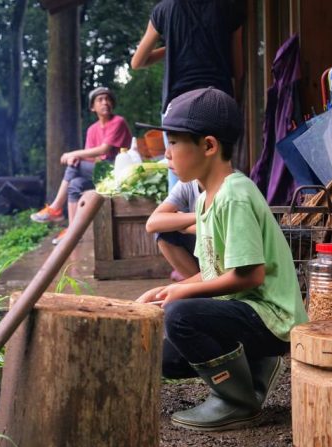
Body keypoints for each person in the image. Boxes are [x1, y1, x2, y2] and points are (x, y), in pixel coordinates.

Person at [137, 88, 307, 432]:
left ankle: (238, 402)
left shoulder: (235, 196)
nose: (167, 153)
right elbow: (213, 272)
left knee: (181, 316)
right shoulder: (203, 200)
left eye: (174, 143)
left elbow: (250, 276)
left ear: (209, 146)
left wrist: (179, 297)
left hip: (273, 318)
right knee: (167, 359)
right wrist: (165, 290)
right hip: (246, 311)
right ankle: (258, 366)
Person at [131, 0, 244, 194]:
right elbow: (238, 68)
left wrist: (172, 46)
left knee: (179, 179)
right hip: (217, 103)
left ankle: (183, 221)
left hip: (178, 106)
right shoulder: (228, 7)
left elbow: (137, 62)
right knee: (221, 177)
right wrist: (237, 99)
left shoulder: (165, 9)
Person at [31, 87, 131, 245]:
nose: (105, 102)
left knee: (74, 165)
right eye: (100, 100)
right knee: (75, 184)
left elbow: (104, 150)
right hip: (101, 172)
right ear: (93, 107)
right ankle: (73, 230)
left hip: (117, 171)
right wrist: (77, 158)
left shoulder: (118, 122)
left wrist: (73, 155)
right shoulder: (92, 130)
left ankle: (56, 208)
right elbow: (92, 157)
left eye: (108, 99)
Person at [146, 179, 201, 281]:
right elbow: (152, 224)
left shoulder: (231, 187)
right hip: (205, 255)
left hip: (227, 264)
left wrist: (187, 228)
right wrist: (200, 216)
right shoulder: (188, 183)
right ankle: (198, 284)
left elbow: (222, 229)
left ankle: (200, 285)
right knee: (165, 230)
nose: (170, 163)